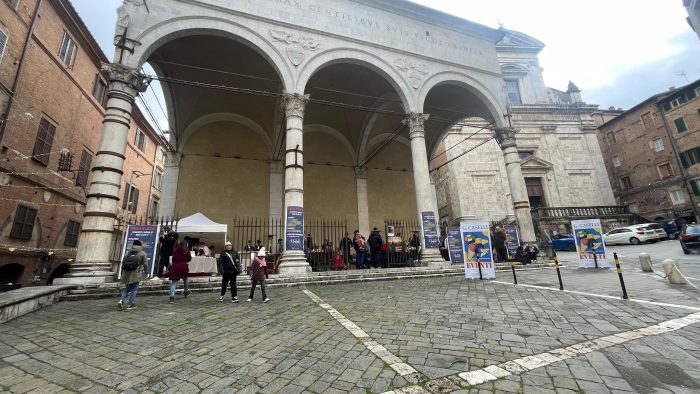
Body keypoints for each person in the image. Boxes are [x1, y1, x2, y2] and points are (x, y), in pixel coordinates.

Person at [119, 240, 148, 310]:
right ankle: (130, 304)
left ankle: (121, 300)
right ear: (140, 245)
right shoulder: (142, 253)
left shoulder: (128, 252)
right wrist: (146, 272)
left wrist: (121, 273)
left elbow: (123, 263)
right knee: (134, 289)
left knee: (127, 288)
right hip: (135, 273)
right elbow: (145, 264)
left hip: (126, 273)